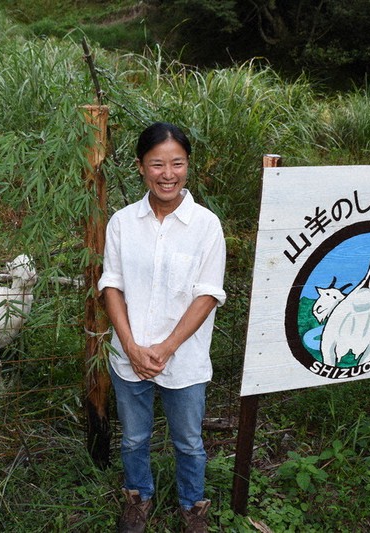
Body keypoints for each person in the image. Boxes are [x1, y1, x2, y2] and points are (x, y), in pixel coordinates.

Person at [98, 122, 227, 533]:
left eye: (177, 163)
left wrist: (167, 347)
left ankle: (193, 507)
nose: (167, 174)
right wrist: (131, 346)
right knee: (134, 438)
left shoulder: (206, 226)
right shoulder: (122, 222)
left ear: (188, 165)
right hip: (129, 356)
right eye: (157, 164)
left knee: (188, 441)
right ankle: (138, 497)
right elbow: (112, 285)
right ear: (140, 166)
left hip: (184, 358)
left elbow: (207, 294)